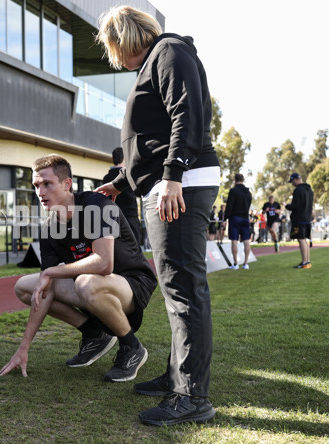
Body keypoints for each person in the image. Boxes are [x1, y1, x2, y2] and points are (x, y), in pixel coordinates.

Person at [95, 6, 220, 426]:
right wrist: (121, 182)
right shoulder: (156, 60)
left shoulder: (169, 52)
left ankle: (191, 396)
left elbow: (188, 113)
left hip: (182, 183)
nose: (116, 59)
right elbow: (148, 141)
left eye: (114, 49)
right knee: (176, 289)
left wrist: (172, 176)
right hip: (167, 182)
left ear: (122, 37)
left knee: (184, 287)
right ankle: (176, 377)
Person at [0, 154, 157, 384]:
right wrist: (24, 348)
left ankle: (131, 348)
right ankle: (95, 335)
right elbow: (44, 288)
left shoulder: (97, 204)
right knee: (24, 286)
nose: (40, 192)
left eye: (47, 184)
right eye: (36, 186)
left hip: (131, 283)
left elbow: (104, 263)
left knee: (86, 282)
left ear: (67, 184)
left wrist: (51, 272)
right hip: (94, 286)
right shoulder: (49, 226)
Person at [103, 147, 142, 245]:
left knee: (117, 250)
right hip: (130, 217)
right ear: (124, 158)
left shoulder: (107, 178)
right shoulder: (129, 176)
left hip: (113, 218)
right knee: (134, 247)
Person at [285, 172, 314, 268]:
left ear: (296, 179)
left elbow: (295, 206)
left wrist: (287, 205)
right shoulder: (309, 190)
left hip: (299, 219)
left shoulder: (298, 190)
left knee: (301, 240)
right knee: (304, 240)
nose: (292, 183)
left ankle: (305, 262)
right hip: (307, 218)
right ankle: (307, 261)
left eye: (292, 181)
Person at [224, 174, 252, 270]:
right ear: (243, 180)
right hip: (245, 218)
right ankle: (246, 263)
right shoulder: (248, 192)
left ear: (235, 180)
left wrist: (225, 218)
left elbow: (229, 206)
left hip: (235, 218)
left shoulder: (233, 191)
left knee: (234, 241)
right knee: (246, 241)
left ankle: (235, 264)